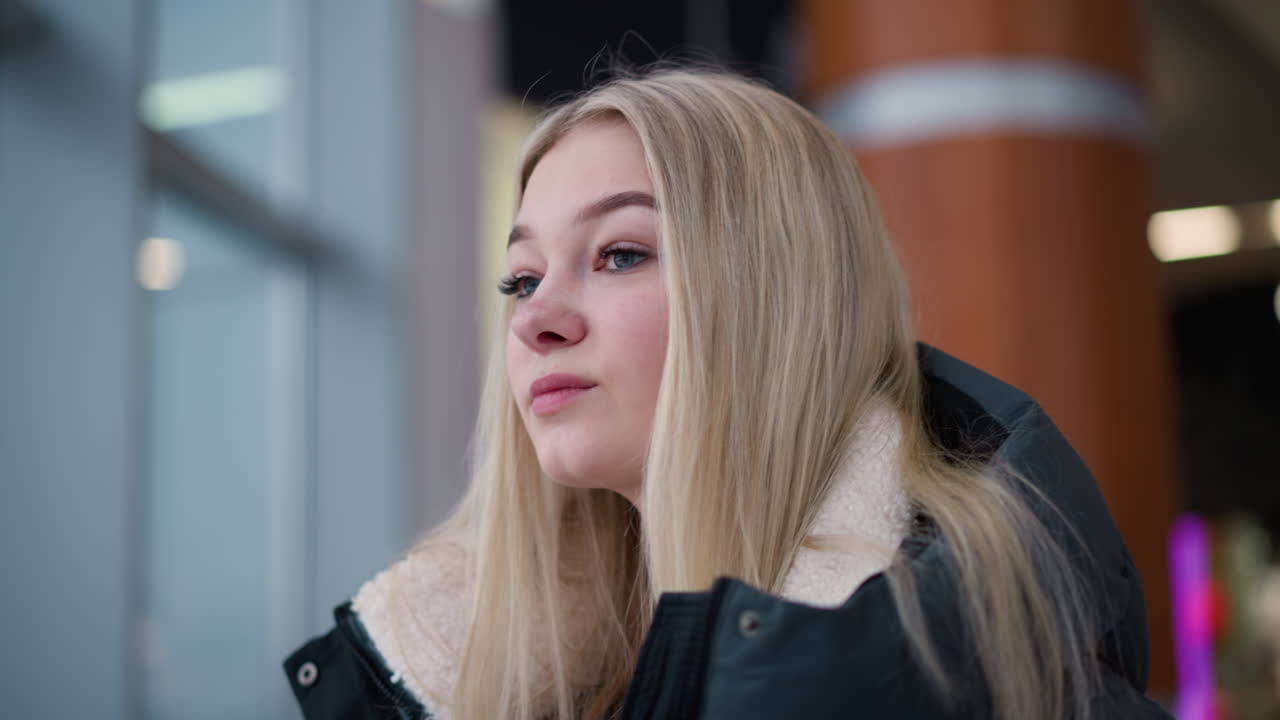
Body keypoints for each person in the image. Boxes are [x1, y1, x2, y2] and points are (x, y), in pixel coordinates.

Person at [284, 67, 1172, 719]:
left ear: (777, 298)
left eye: (620, 254)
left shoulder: (1006, 689)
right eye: (522, 278)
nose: (535, 320)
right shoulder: (496, 673)